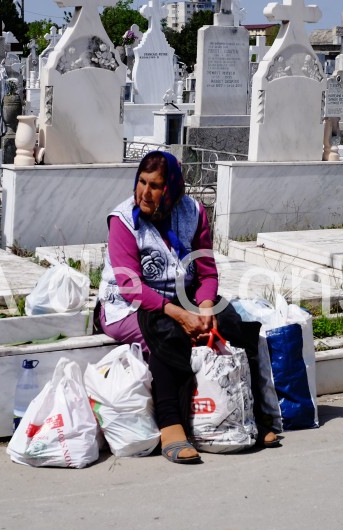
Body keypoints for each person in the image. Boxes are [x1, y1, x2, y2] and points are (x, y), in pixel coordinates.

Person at [98, 151, 280, 464]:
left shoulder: (192, 212)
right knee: (168, 335)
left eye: (155, 186)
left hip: (185, 299)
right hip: (127, 305)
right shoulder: (124, 220)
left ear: (171, 189)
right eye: (141, 182)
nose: (144, 192)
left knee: (231, 322)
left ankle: (245, 414)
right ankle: (172, 425)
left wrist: (206, 307)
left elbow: (207, 271)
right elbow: (131, 286)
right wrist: (179, 314)